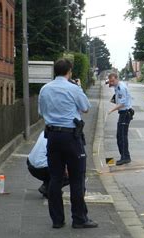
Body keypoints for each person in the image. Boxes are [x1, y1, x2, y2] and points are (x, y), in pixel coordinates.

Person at [39, 58, 98, 229]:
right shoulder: (73, 88)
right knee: (77, 178)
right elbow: (86, 108)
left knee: (55, 178)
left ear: (54, 71)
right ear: (69, 71)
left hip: (52, 137)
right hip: (71, 137)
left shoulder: (44, 89)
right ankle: (79, 219)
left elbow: (41, 111)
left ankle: (57, 220)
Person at [27, 131, 69, 198]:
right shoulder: (62, 136)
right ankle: (50, 189)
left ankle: (46, 186)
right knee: (73, 172)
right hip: (43, 168)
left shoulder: (46, 130)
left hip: (30, 164)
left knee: (53, 163)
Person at [106, 73, 133, 165]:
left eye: (113, 81)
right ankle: (124, 155)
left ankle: (125, 157)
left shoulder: (121, 88)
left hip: (125, 113)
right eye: (110, 81)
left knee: (122, 136)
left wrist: (111, 110)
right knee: (119, 136)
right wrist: (109, 83)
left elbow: (122, 104)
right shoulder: (117, 85)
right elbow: (109, 83)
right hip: (123, 113)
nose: (111, 83)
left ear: (117, 79)